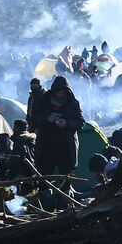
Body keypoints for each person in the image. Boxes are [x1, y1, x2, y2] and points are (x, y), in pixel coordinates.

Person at [28, 76, 84, 210]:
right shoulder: (44, 100)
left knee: (66, 176)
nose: (61, 94)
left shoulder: (72, 103)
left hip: (66, 146)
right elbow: (34, 119)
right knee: (45, 176)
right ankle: (46, 206)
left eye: (63, 92)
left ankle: (65, 206)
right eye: (58, 92)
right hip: (47, 146)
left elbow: (80, 122)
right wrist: (48, 119)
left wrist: (67, 123)